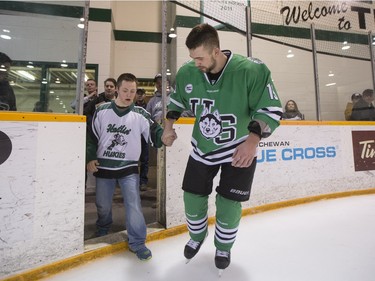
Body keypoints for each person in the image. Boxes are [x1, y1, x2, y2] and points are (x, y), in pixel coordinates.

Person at [161, 23, 282, 272]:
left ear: (215, 51)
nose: (196, 63)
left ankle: (223, 245)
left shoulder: (251, 70)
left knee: (228, 203)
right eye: (192, 58)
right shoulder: (188, 72)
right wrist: (168, 127)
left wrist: (251, 143)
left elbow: (270, 109)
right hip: (202, 148)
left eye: (200, 58)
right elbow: (176, 101)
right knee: (192, 198)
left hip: (239, 148)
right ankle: (197, 237)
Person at [86, 73, 176, 261]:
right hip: (104, 167)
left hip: (128, 169)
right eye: (125, 90)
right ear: (117, 89)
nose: (129, 94)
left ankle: (137, 241)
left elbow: (154, 131)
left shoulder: (141, 114)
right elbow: (91, 136)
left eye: (133, 91)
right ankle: (103, 227)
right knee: (102, 204)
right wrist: (90, 156)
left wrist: (164, 137)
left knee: (133, 205)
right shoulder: (101, 110)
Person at [135, 88, 149, 191]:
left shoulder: (148, 106)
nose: (140, 95)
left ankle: (143, 181)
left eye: (142, 94)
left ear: (145, 95)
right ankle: (134, 181)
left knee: (144, 160)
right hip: (133, 135)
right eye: (138, 93)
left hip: (144, 136)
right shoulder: (132, 106)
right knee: (133, 159)